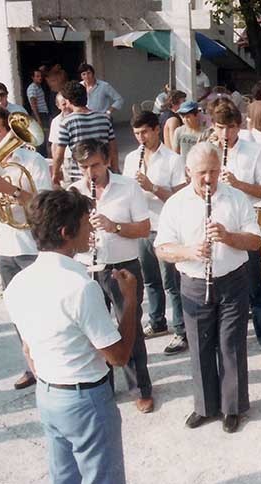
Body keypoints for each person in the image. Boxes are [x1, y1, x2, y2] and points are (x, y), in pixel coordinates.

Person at [4, 189, 138, 484]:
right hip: (86, 398)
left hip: (49, 395)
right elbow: (118, 356)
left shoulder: (17, 285)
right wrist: (130, 302)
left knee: (63, 478)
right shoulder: (80, 287)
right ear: (67, 232)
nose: (90, 229)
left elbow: (28, 349)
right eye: (86, 223)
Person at [155, 142, 261, 431]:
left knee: (231, 344)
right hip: (193, 281)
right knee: (200, 346)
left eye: (213, 171)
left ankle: (233, 407)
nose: (208, 179)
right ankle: (205, 407)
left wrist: (229, 237)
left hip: (232, 280)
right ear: (188, 171)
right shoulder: (175, 204)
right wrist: (189, 252)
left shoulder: (236, 198)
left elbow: (256, 241)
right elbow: (162, 248)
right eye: (202, 172)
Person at [69, 139, 154, 414]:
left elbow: (143, 228)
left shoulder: (128, 187)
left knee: (129, 325)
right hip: (87, 268)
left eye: (94, 165)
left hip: (122, 267)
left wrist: (113, 226)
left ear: (106, 161)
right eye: (84, 167)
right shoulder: (74, 192)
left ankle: (140, 389)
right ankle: (103, 386)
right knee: (94, 330)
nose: (90, 173)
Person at [0, 106, 53, 390]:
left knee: (44, 309)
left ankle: (52, 366)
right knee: (19, 311)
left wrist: (11, 192)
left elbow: (44, 205)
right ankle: (30, 366)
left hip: (32, 246)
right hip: (5, 248)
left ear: (8, 130)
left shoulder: (33, 161)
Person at [208, 98, 261, 366]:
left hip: (244, 226)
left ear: (238, 126)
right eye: (219, 128)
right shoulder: (208, 150)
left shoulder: (253, 152)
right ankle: (219, 344)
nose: (225, 135)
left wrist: (238, 184)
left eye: (230, 128)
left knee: (254, 286)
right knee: (215, 288)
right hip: (213, 225)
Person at [123, 111, 188, 354]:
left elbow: (179, 198)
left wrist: (152, 188)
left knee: (172, 282)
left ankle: (182, 330)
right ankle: (157, 321)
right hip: (142, 226)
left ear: (156, 130)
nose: (141, 138)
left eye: (145, 132)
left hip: (165, 228)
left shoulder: (173, 160)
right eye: (137, 134)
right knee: (150, 280)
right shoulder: (131, 158)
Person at [52, 81, 119, 186]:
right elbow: (113, 150)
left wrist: (55, 174)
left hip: (79, 176)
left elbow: (59, 154)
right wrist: (115, 171)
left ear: (69, 101)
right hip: (103, 173)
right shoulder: (105, 118)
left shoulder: (66, 122)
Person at [171, 100, 204, 165]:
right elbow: (175, 153)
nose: (185, 120)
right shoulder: (179, 131)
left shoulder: (205, 133)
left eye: (188, 117)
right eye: (182, 117)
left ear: (196, 115)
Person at [26, 68, 50, 149]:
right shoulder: (32, 88)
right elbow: (33, 104)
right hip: (40, 114)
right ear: (33, 77)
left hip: (44, 113)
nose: (40, 78)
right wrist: (38, 119)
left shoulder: (38, 87)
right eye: (37, 76)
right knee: (42, 137)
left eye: (40, 76)